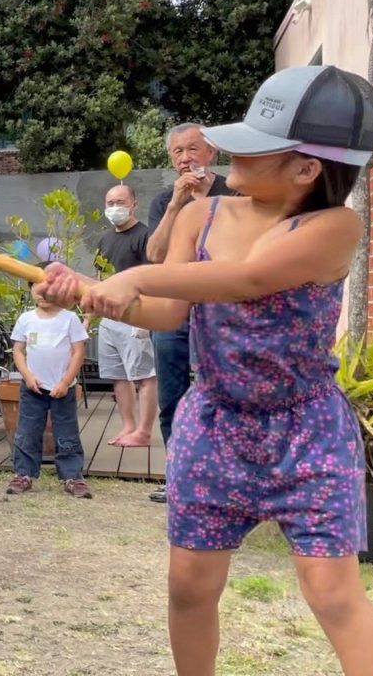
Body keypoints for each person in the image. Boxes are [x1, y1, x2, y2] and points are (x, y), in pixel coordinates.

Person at [40, 65, 373, 675]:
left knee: (334, 593)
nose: (231, 150)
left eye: (258, 146)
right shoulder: (200, 218)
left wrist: (133, 276)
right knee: (190, 587)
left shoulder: (335, 227)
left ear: (307, 169)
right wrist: (90, 293)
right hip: (216, 423)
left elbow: (247, 278)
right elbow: (170, 311)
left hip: (305, 428)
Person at [146, 124, 234, 503]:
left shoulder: (234, 190)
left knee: (219, 395)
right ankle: (179, 477)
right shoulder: (165, 200)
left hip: (222, 312)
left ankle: (223, 479)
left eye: (193, 149)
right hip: (173, 311)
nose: (186, 158)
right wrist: (175, 206)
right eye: (178, 151)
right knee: (172, 396)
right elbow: (153, 255)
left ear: (210, 152)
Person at [7, 272, 91, 498]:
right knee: (27, 431)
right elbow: (18, 350)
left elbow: (78, 352)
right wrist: (27, 376)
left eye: (49, 288)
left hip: (63, 389)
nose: (43, 293)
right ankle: (24, 474)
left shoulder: (69, 319)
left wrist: (65, 381)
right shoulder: (26, 319)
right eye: (37, 287)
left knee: (67, 433)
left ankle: (72, 476)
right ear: (30, 289)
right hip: (33, 388)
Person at [95, 184, 156, 447]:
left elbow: (153, 278)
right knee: (118, 376)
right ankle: (128, 426)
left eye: (120, 202)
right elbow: (99, 277)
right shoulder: (104, 240)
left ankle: (143, 430)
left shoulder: (145, 236)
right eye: (110, 203)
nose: (114, 208)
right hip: (108, 318)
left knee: (144, 375)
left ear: (134, 204)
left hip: (136, 316)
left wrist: (145, 318)